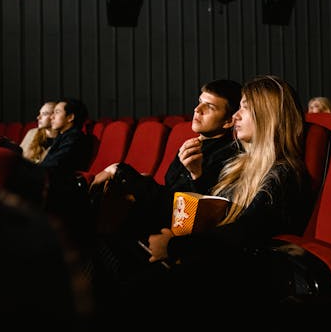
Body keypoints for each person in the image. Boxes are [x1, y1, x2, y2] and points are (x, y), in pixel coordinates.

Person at [96, 75, 312, 332]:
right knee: (104, 246)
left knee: (127, 291)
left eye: (244, 107)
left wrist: (174, 247)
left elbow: (244, 231)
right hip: (206, 257)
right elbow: (211, 207)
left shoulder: (283, 173)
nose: (236, 115)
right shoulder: (241, 164)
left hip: (231, 276)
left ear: (266, 116)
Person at [89, 79, 242, 239]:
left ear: (228, 121)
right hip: (156, 222)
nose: (197, 109)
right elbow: (169, 192)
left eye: (209, 107)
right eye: (199, 102)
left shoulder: (230, 156)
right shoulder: (193, 144)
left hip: (177, 236)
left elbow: (191, 210)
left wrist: (118, 170)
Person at [39, 98, 92, 175]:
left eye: (57, 112)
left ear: (70, 117)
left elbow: (55, 164)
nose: (51, 117)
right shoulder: (64, 135)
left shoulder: (74, 138)